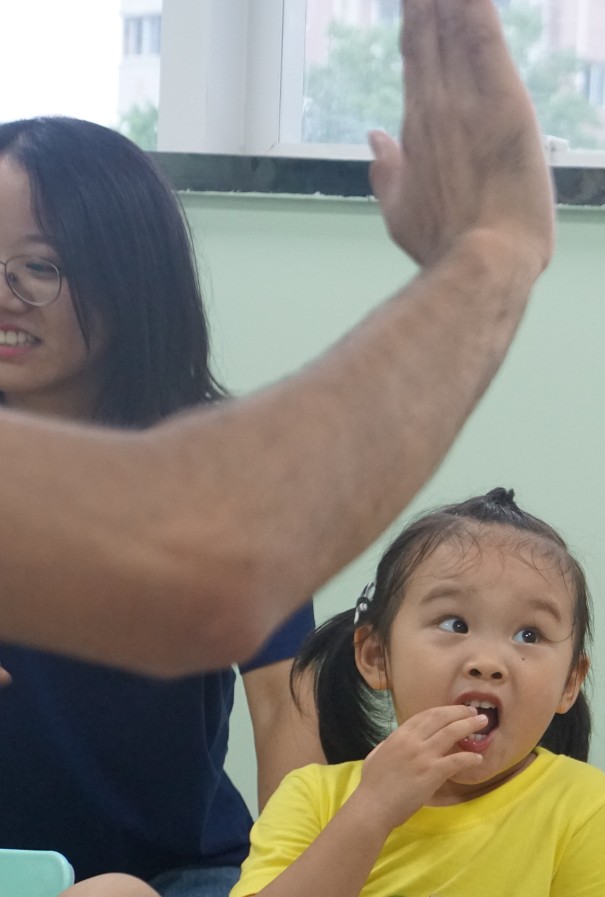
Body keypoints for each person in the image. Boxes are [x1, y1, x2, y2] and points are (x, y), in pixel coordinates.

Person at [0, 0, 555, 678]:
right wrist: (496, 250)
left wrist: (492, 251)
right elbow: (212, 567)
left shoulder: (202, 450)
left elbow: (235, 598)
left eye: (39, 266)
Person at [0, 116, 322, 897]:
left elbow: (285, 708)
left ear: (129, 272)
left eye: (38, 267)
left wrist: (290, 879)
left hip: (180, 870)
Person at [61, 489, 605, 897]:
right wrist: (373, 811)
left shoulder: (580, 804)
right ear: (376, 656)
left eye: (529, 635)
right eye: (454, 624)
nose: (489, 662)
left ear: (569, 683)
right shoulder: (316, 796)